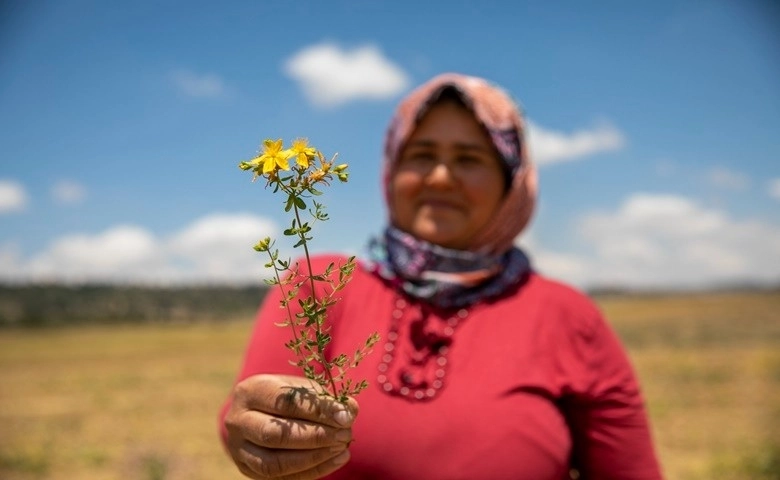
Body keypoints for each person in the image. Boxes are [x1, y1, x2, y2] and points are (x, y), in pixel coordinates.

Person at [219, 73, 664, 480]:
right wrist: (250, 429)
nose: (440, 177)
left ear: (512, 183)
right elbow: (248, 426)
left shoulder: (569, 316)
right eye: (421, 155)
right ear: (392, 171)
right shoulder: (316, 282)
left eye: (469, 159)